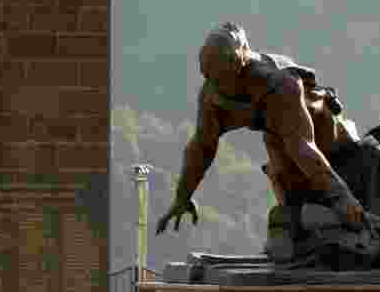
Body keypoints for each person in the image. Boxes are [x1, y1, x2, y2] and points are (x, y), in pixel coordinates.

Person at [156, 23, 369, 237]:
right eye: (210, 77)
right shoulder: (214, 93)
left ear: (239, 67)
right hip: (282, 142)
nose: (217, 86)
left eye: (222, 78)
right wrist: (183, 195)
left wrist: (342, 197)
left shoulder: (279, 84)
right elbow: (202, 146)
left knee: (350, 199)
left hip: (328, 141)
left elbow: (302, 146)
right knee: (288, 223)